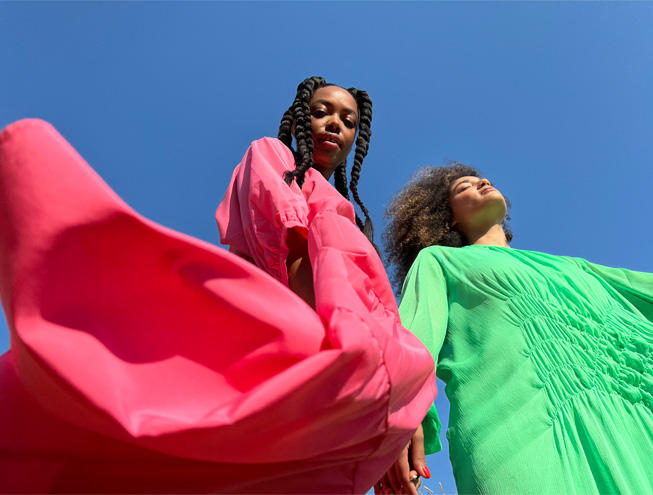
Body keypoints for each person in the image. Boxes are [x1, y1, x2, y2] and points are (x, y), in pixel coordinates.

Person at [0, 76, 435, 493]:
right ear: (299, 120)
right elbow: (294, 249)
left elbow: (378, 316)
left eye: (348, 120)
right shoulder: (275, 158)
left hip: (363, 367)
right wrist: (361, 387)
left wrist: (399, 412)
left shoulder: (349, 216)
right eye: (321, 112)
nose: (334, 124)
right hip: (324, 354)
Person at [382, 163, 653, 494]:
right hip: (515, 433)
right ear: (447, 219)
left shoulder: (572, 267)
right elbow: (413, 338)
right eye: (464, 187)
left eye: (483, 180)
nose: (482, 182)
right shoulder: (440, 261)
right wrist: (398, 412)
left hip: (634, 420)